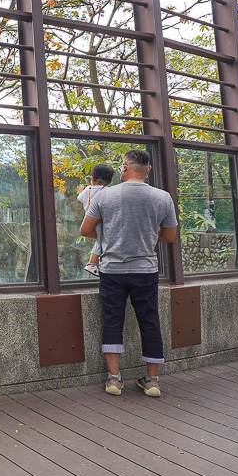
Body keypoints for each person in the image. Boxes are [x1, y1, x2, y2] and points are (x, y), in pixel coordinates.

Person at [81, 149, 178, 397]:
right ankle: (152, 381)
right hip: (145, 271)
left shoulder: (105, 196)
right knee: (150, 321)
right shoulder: (163, 197)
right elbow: (169, 236)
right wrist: (144, 234)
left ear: (124, 167)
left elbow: (86, 230)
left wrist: (109, 236)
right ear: (148, 170)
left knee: (113, 319)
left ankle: (114, 380)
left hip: (112, 270)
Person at [77, 163, 116, 277]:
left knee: (100, 241)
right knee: (101, 242)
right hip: (103, 221)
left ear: (91, 179)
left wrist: (81, 192)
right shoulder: (108, 191)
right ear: (109, 181)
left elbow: (79, 200)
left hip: (89, 220)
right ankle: (91, 264)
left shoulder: (88, 190)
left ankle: (93, 263)